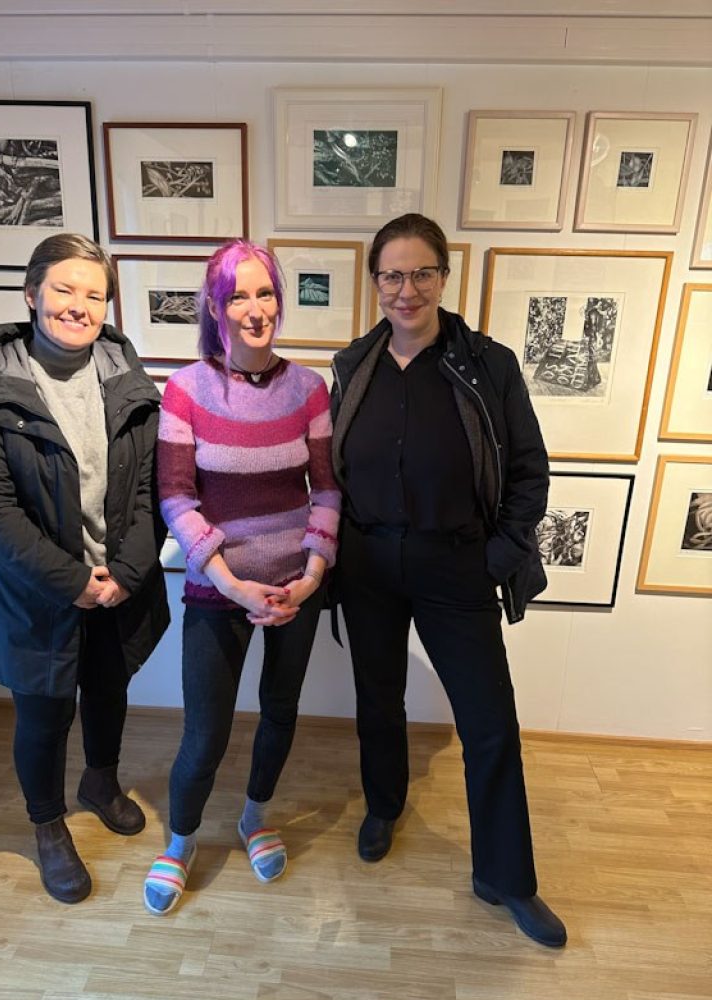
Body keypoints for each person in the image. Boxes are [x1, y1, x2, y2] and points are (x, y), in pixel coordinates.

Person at [330, 213, 566, 948]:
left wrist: (495, 558)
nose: (408, 290)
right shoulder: (353, 365)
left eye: (422, 273)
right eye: (393, 275)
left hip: (456, 565)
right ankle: (384, 806)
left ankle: (507, 877)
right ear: (375, 282)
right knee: (378, 701)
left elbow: (528, 470)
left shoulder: (488, 364)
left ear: (444, 275)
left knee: (489, 725)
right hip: (368, 564)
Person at [0, 233, 169, 904]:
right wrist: (75, 583)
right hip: (37, 594)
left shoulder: (131, 385)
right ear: (31, 293)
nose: (79, 305)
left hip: (118, 586)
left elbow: (151, 492)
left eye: (94, 294)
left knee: (108, 690)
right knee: (44, 715)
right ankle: (47, 826)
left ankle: (99, 781)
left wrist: (124, 574)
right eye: (64, 289)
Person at [143, 239, 340, 915]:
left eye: (265, 293)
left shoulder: (309, 389)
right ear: (215, 306)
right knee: (206, 731)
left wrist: (312, 575)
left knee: (280, 712)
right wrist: (229, 583)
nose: (256, 310)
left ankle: (254, 817)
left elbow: (327, 489)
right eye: (238, 296)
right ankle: (180, 841)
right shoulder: (186, 390)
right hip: (216, 589)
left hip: (296, 588)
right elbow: (175, 497)